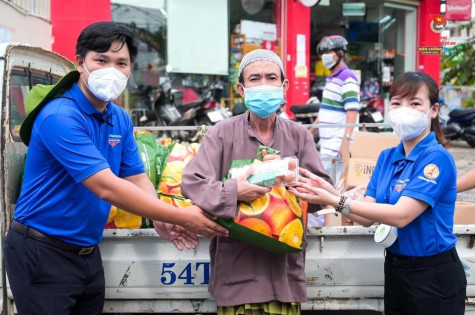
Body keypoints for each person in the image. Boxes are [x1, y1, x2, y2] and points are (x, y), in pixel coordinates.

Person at [4, 21, 227, 315]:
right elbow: (106, 186)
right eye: (101, 60)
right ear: (80, 63)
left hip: (86, 252)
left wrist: (156, 213)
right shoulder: (60, 116)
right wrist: (182, 216)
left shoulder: (118, 118)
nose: (112, 70)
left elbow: (135, 176)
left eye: (121, 63)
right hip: (42, 250)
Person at [290, 72, 466, 315]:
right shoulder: (387, 157)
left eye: (415, 103)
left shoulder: (436, 159)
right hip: (395, 268)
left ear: (433, 110)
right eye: (396, 102)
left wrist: (333, 199)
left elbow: (401, 215)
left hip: (433, 274)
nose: (404, 109)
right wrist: (328, 191)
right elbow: (367, 217)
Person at [180, 49, 332, 315]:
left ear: (284, 86)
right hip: (237, 270)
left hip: (284, 271)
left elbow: (321, 192)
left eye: (271, 78)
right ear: (241, 88)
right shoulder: (222, 134)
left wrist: (294, 184)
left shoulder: (299, 136)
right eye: (255, 79)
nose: (263, 85)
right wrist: (234, 191)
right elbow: (192, 183)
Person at [309, 35, 360, 183]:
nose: (324, 57)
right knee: (328, 181)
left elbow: (352, 111)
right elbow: (325, 109)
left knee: (332, 184)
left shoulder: (347, 77)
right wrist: (311, 130)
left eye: (327, 52)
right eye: (323, 54)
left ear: (340, 53)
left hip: (337, 143)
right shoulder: (332, 77)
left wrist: (347, 139)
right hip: (327, 142)